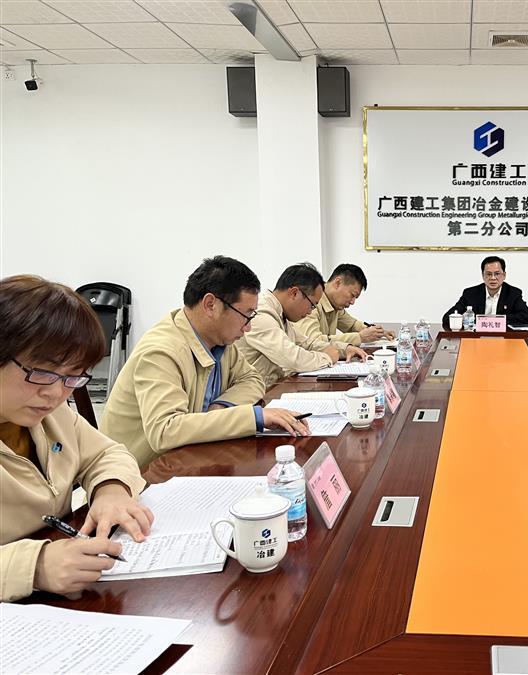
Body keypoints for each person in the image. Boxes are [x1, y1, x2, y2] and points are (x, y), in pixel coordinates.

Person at [1, 275, 152, 602]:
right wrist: (33, 566)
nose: (56, 393)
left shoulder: (48, 414)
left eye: (73, 376)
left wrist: (111, 489)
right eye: (41, 372)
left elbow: (106, 454)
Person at [102, 256, 309, 469]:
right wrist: (254, 417)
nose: (248, 328)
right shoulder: (161, 351)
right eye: (246, 316)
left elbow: (252, 379)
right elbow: (165, 430)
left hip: (189, 460)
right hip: (141, 475)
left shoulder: (220, 341)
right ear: (211, 305)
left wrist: (222, 406)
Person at [237, 263, 367, 388]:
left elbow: (307, 343)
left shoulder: (282, 314)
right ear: (294, 293)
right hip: (256, 395)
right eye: (312, 305)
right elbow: (292, 359)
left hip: (273, 387)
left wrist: (344, 349)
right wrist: (327, 358)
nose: (310, 311)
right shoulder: (261, 313)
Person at [294, 264, 393, 347]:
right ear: (338, 283)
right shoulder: (311, 304)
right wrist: (359, 337)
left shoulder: (334, 305)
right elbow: (313, 341)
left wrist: (377, 332)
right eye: (352, 295)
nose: (352, 302)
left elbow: (352, 325)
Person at [441, 256, 528, 329]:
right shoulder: (470, 294)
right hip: (476, 339)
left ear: (504, 275)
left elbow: (526, 317)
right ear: (483, 275)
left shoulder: (513, 293)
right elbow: (447, 318)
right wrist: (468, 320)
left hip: (504, 339)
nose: (493, 278)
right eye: (488, 274)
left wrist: (495, 320)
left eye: (497, 274)